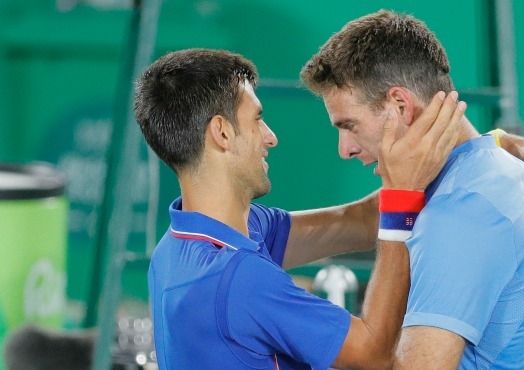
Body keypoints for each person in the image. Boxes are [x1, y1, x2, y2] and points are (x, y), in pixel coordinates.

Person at [135, 47, 469, 369]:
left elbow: (360, 220)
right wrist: (401, 195)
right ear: (221, 132)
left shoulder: (186, 245)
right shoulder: (237, 279)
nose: (270, 137)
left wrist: (469, 150)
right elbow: (372, 353)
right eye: (257, 119)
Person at [300, 9, 524, 369]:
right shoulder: (496, 172)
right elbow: (356, 219)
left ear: (400, 106)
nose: (345, 149)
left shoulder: (461, 211)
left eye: (349, 125)